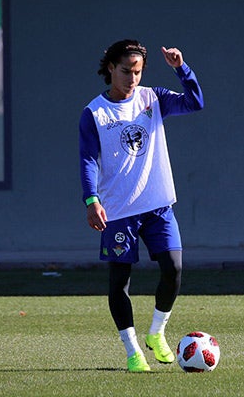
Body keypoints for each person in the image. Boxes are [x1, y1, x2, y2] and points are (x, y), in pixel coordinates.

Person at [79, 39, 204, 372]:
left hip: (158, 205)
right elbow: (89, 159)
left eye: (137, 71)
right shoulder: (94, 113)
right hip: (119, 211)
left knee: (174, 269)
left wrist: (181, 68)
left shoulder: (153, 98)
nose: (132, 78)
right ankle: (133, 350)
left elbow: (195, 103)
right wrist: (91, 199)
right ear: (110, 68)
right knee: (120, 282)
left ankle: (157, 333)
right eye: (125, 71)